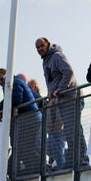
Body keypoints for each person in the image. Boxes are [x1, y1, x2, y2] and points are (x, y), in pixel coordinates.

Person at [36, 37, 87, 168]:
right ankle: (74, 159)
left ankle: (82, 159)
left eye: (42, 46)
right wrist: (51, 92)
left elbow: (68, 72)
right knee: (70, 132)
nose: (40, 49)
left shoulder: (57, 56)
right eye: (37, 47)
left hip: (71, 97)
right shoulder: (46, 61)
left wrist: (59, 90)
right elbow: (53, 79)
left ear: (47, 44)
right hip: (63, 100)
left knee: (75, 130)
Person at [0, 68, 42, 174]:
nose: (0, 82)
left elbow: (16, 99)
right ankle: (19, 171)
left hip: (30, 119)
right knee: (21, 148)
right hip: (25, 120)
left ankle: (38, 171)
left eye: (1, 79)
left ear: (7, 75)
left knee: (29, 147)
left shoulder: (14, 82)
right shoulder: (8, 84)